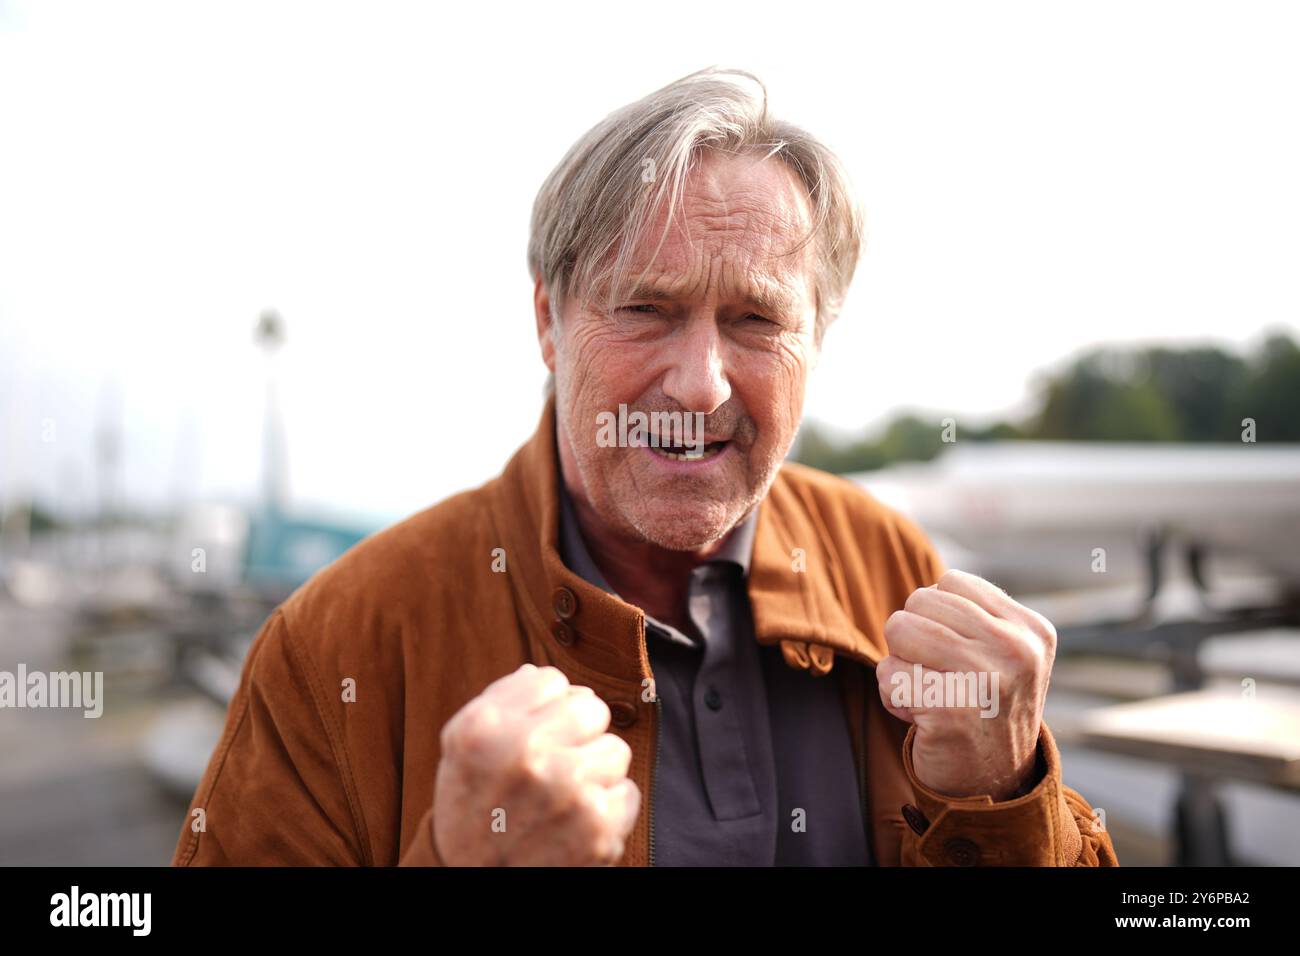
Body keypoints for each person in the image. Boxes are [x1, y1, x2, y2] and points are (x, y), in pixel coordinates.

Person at [172, 67, 1118, 867]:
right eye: (644, 309)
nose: (702, 384)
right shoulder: (340, 642)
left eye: (756, 320)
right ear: (548, 320)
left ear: (817, 340)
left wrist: (1004, 801)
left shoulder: (886, 564)